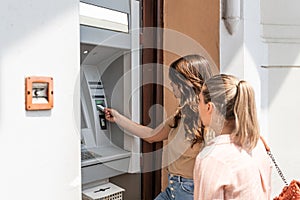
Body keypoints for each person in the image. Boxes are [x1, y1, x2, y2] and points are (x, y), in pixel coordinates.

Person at [104, 54, 214, 200]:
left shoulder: (208, 118)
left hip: (190, 192)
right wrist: (118, 118)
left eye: (174, 81)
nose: (171, 84)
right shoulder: (181, 115)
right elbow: (152, 135)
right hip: (173, 189)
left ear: (186, 83)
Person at [194, 74, 272, 200]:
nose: (198, 107)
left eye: (199, 101)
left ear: (209, 107)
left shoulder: (212, 158)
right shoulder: (257, 145)